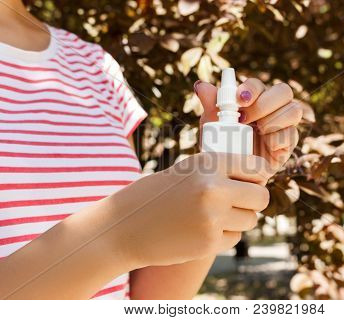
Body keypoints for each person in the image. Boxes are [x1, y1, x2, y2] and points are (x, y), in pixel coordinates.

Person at [0, 0, 304, 299]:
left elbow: (145, 299)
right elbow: (120, 244)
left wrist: (225, 175)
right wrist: (117, 236)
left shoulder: (93, 65)